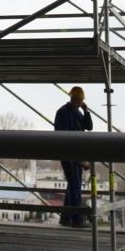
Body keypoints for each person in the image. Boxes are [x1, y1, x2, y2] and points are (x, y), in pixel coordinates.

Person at [54, 86, 93, 227]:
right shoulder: (63, 113)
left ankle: (66, 218)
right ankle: (77, 219)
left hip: (75, 154)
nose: (80, 102)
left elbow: (89, 126)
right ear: (74, 98)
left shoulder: (76, 112)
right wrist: (80, 161)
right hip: (69, 156)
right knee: (75, 187)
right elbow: (66, 140)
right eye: (80, 100)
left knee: (73, 186)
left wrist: (86, 111)